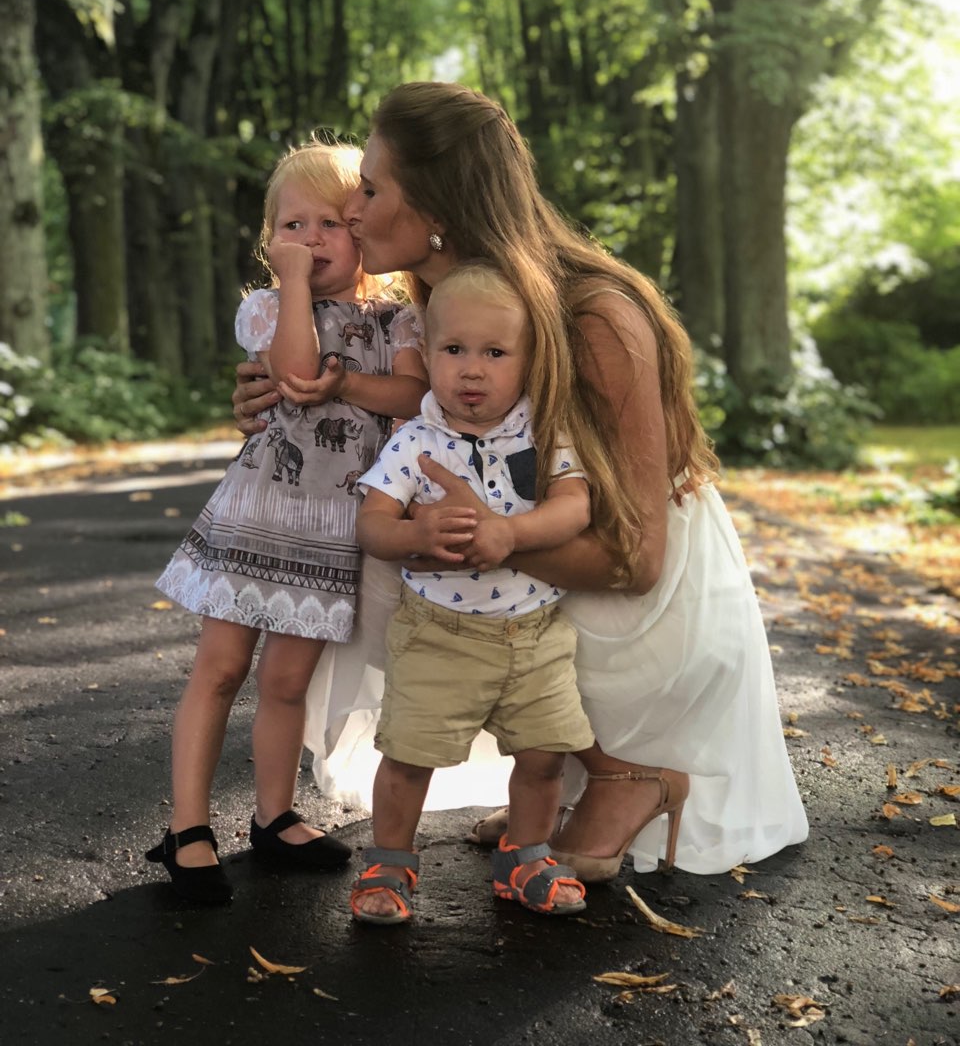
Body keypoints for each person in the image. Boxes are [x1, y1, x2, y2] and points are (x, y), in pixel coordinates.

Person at [232, 82, 809, 884]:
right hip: (534, 552)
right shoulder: (443, 310)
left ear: (436, 203)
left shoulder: (596, 317)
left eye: (370, 189)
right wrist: (279, 404)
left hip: (646, 599)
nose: (352, 213)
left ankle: (621, 770)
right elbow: (393, 444)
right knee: (367, 551)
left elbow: (639, 561)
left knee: (407, 564)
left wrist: (487, 538)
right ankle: (545, 773)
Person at [147, 138, 428, 903]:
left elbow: (411, 398)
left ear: (363, 232)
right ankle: (188, 826)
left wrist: (353, 383)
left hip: (332, 529)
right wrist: (295, 282)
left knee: (285, 680)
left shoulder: (398, 320)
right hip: (258, 516)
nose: (311, 240)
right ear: (270, 243)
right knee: (220, 670)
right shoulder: (270, 309)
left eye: (331, 223)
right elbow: (298, 371)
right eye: (292, 227)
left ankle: (272, 816)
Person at [350, 262, 594, 924]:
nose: (472, 371)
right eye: (454, 350)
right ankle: (389, 863)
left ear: (528, 362)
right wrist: (415, 532)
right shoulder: (416, 442)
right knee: (409, 756)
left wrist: (510, 534)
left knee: (545, 754)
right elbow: (371, 524)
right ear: (427, 355)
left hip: (536, 632)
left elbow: (574, 506)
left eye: (495, 353)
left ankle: (526, 857)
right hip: (439, 632)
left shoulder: (544, 431)